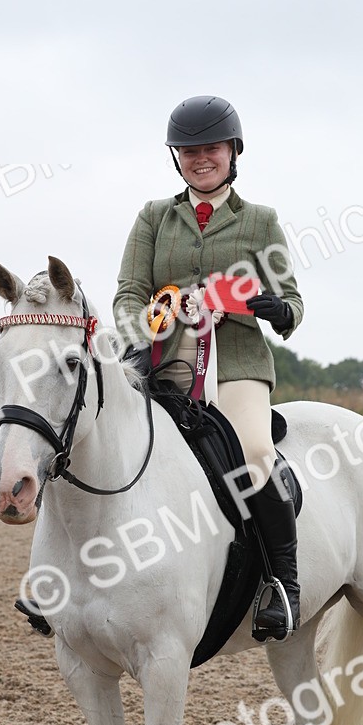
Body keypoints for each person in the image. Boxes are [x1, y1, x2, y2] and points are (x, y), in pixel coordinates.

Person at [113, 95, 305, 639]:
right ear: (177, 158)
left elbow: (293, 303)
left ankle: (281, 584)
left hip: (237, 364)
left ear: (233, 152)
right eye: (189, 151)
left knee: (254, 454)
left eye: (212, 149)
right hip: (163, 362)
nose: (201, 159)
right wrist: (148, 324)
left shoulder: (261, 221)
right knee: (101, 439)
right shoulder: (154, 217)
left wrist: (275, 309)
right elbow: (128, 294)